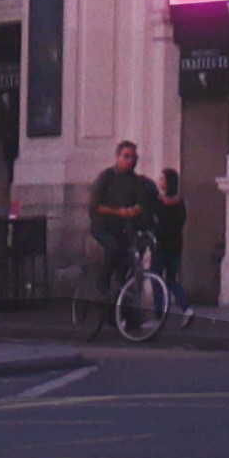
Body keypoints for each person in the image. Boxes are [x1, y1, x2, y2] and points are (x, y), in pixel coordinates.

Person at [88, 139, 160, 336]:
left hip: (123, 229)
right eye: (126, 157)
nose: (130, 161)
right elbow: (94, 205)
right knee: (113, 249)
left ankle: (123, 317)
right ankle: (101, 283)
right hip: (103, 226)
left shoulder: (136, 182)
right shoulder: (107, 177)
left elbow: (141, 207)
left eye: (133, 157)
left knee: (125, 272)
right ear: (118, 157)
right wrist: (120, 212)